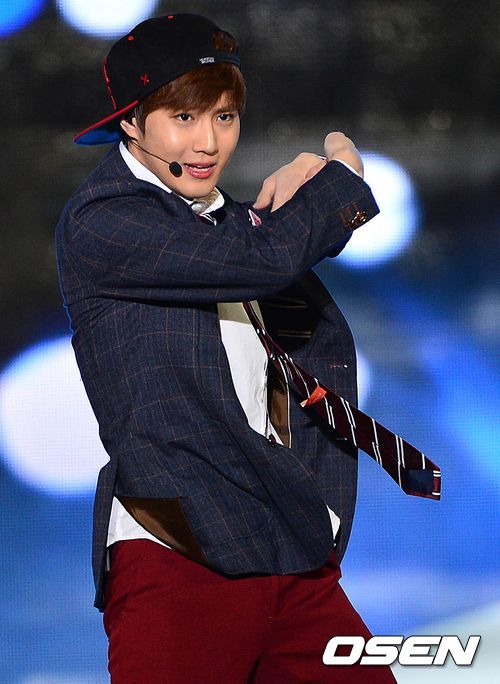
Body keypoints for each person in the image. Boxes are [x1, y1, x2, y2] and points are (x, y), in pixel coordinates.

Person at [55, 12, 397, 684]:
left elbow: (268, 271)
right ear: (131, 122)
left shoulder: (225, 223)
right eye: (184, 117)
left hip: (286, 544)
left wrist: (284, 211)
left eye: (225, 116)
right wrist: (341, 177)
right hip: (180, 550)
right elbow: (263, 263)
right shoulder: (104, 219)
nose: (209, 141)